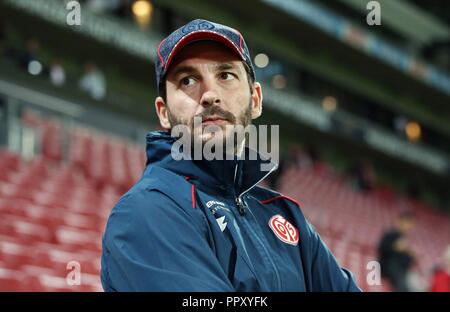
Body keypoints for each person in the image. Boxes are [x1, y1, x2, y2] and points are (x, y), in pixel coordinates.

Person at [101, 19, 360, 291]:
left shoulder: (287, 215)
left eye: (225, 75)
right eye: (187, 80)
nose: (209, 95)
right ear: (163, 112)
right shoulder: (146, 211)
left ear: (256, 99)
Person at [377, 211, 416, 291]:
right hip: (388, 266)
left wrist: (410, 255)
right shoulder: (391, 233)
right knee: (402, 283)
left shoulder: (403, 238)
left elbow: (405, 260)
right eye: (408, 222)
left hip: (400, 270)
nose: (409, 226)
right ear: (401, 221)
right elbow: (381, 249)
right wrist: (395, 247)